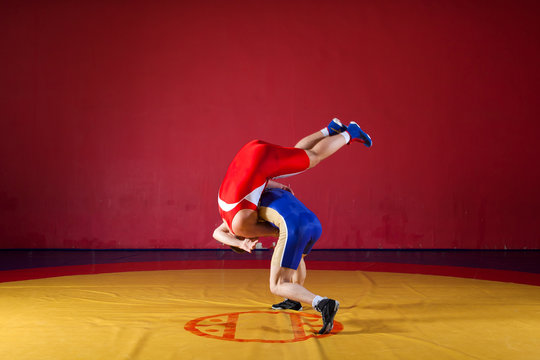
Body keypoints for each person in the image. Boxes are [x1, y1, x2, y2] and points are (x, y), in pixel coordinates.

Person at [217, 118, 372, 241]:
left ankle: (351, 133)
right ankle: (330, 130)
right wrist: (279, 186)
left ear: (244, 237)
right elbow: (217, 232)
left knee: (314, 157)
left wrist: (243, 243)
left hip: (261, 162)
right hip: (249, 152)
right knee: (298, 154)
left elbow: (280, 231)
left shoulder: (242, 228)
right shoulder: (224, 211)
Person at [213, 187, 336, 334]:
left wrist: (241, 244)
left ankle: (322, 303)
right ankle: (294, 300)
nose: (255, 239)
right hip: (314, 224)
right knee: (296, 258)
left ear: (240, 234)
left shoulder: (239, 221)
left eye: (251, 238)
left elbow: (216, 233)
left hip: (294, 227)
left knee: (277, 285)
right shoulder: (261, 192)